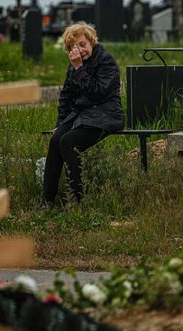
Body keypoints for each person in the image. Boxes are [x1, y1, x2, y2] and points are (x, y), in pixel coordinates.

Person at [43, 22, 124, 204]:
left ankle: (78, 199)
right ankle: (47, 200)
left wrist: (80, 69)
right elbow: (66, 97)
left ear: (91, 41)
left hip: (106, 115)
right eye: (73, 47)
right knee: (56, 140)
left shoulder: (106, 61)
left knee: (68, 142)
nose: (79, 50)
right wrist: (60, 124)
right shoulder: (74, 66)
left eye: (82, 44)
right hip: (83, 116)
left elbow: (97, 93)